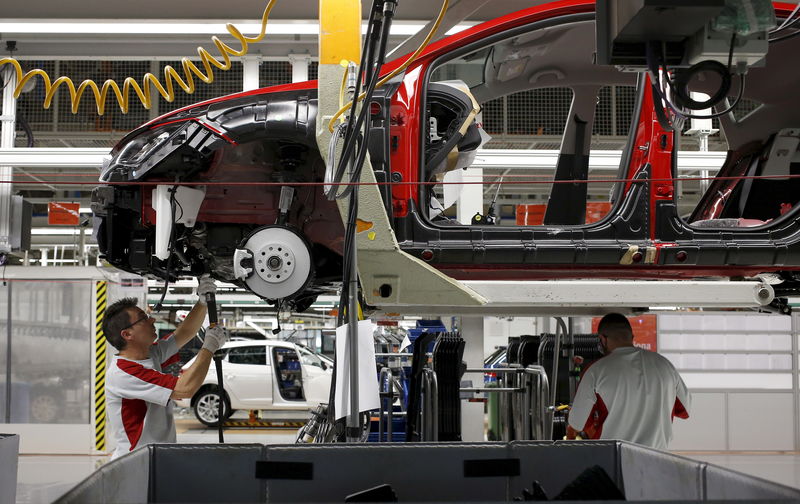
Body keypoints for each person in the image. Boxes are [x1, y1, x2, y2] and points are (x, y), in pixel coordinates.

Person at [102, 276, 228, 459]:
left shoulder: (150, 353)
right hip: (137, 462)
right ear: (127, 334)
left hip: (157, 456)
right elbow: (185, 389)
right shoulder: (125, 373)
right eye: (143, 319)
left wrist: (201, 303)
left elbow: (184, 333)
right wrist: (209, 346)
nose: (152, 320)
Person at [566, 313, 690, 450]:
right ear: (632, 337)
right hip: (657, 459)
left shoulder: (596, 371)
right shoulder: (665, 365)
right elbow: (685, 410)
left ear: (602, 339)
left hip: (613, 460)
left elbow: (578, 424)